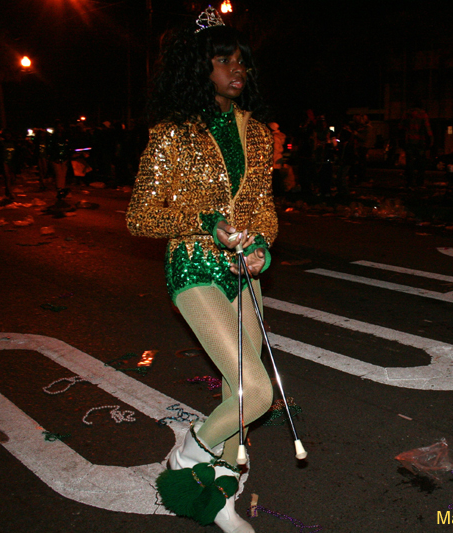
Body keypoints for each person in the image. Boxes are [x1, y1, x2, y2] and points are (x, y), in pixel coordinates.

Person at [126, 8, 276, 532]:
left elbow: (263, 211)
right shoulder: (171, 135)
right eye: (224, 60)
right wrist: (204, 224)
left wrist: (262, 249)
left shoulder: (258, 135)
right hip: (192, 268)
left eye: (243, 62)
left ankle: (223, 497)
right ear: (199, 66)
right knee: (255, 392)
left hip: (243, 274)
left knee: (234, 393)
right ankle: (188, 453)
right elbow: (141, 216)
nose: (238, 70)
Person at [399, 101, 433, 187]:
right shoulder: (423, 114)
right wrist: (430, 140)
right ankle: (419, 182)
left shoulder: (406, 114)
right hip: (420, 142)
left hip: (409, 141)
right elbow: (427, 128)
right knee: (421, 162)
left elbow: (401, 128)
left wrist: (401, 140)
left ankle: (409, 181)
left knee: (409, 162)